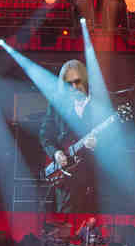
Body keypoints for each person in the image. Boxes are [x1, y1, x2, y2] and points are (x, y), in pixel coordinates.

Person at [39, 59, 97, 213]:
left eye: (77, 82)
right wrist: (56, 153)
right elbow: (45, 135)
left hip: (96, 177)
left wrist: (98, 145)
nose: (74, 87)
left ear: (85, 80)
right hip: (67, 180)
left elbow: (116, 139)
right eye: (69, 84)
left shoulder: (100, 103)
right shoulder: (57, 105)